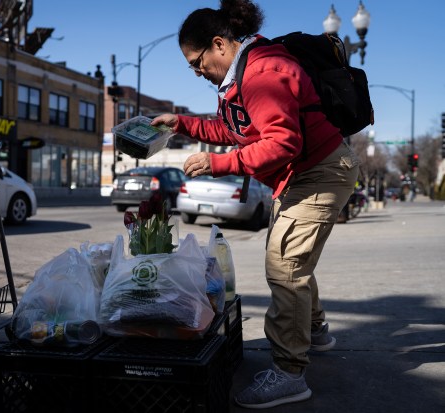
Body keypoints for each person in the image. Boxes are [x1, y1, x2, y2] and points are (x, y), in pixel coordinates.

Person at [151, 0, 359, 409]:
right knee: (290, 260)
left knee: (285, 265)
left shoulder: (263, 71)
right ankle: (313, 330)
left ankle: (289, 372)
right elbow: (234, 130)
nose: (195, 71)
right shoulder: (239, 75)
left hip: (320, 171)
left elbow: (283, 141)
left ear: (218, 44)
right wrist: (181, 123)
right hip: (303, 173)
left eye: (196, 62)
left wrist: (218, 165)